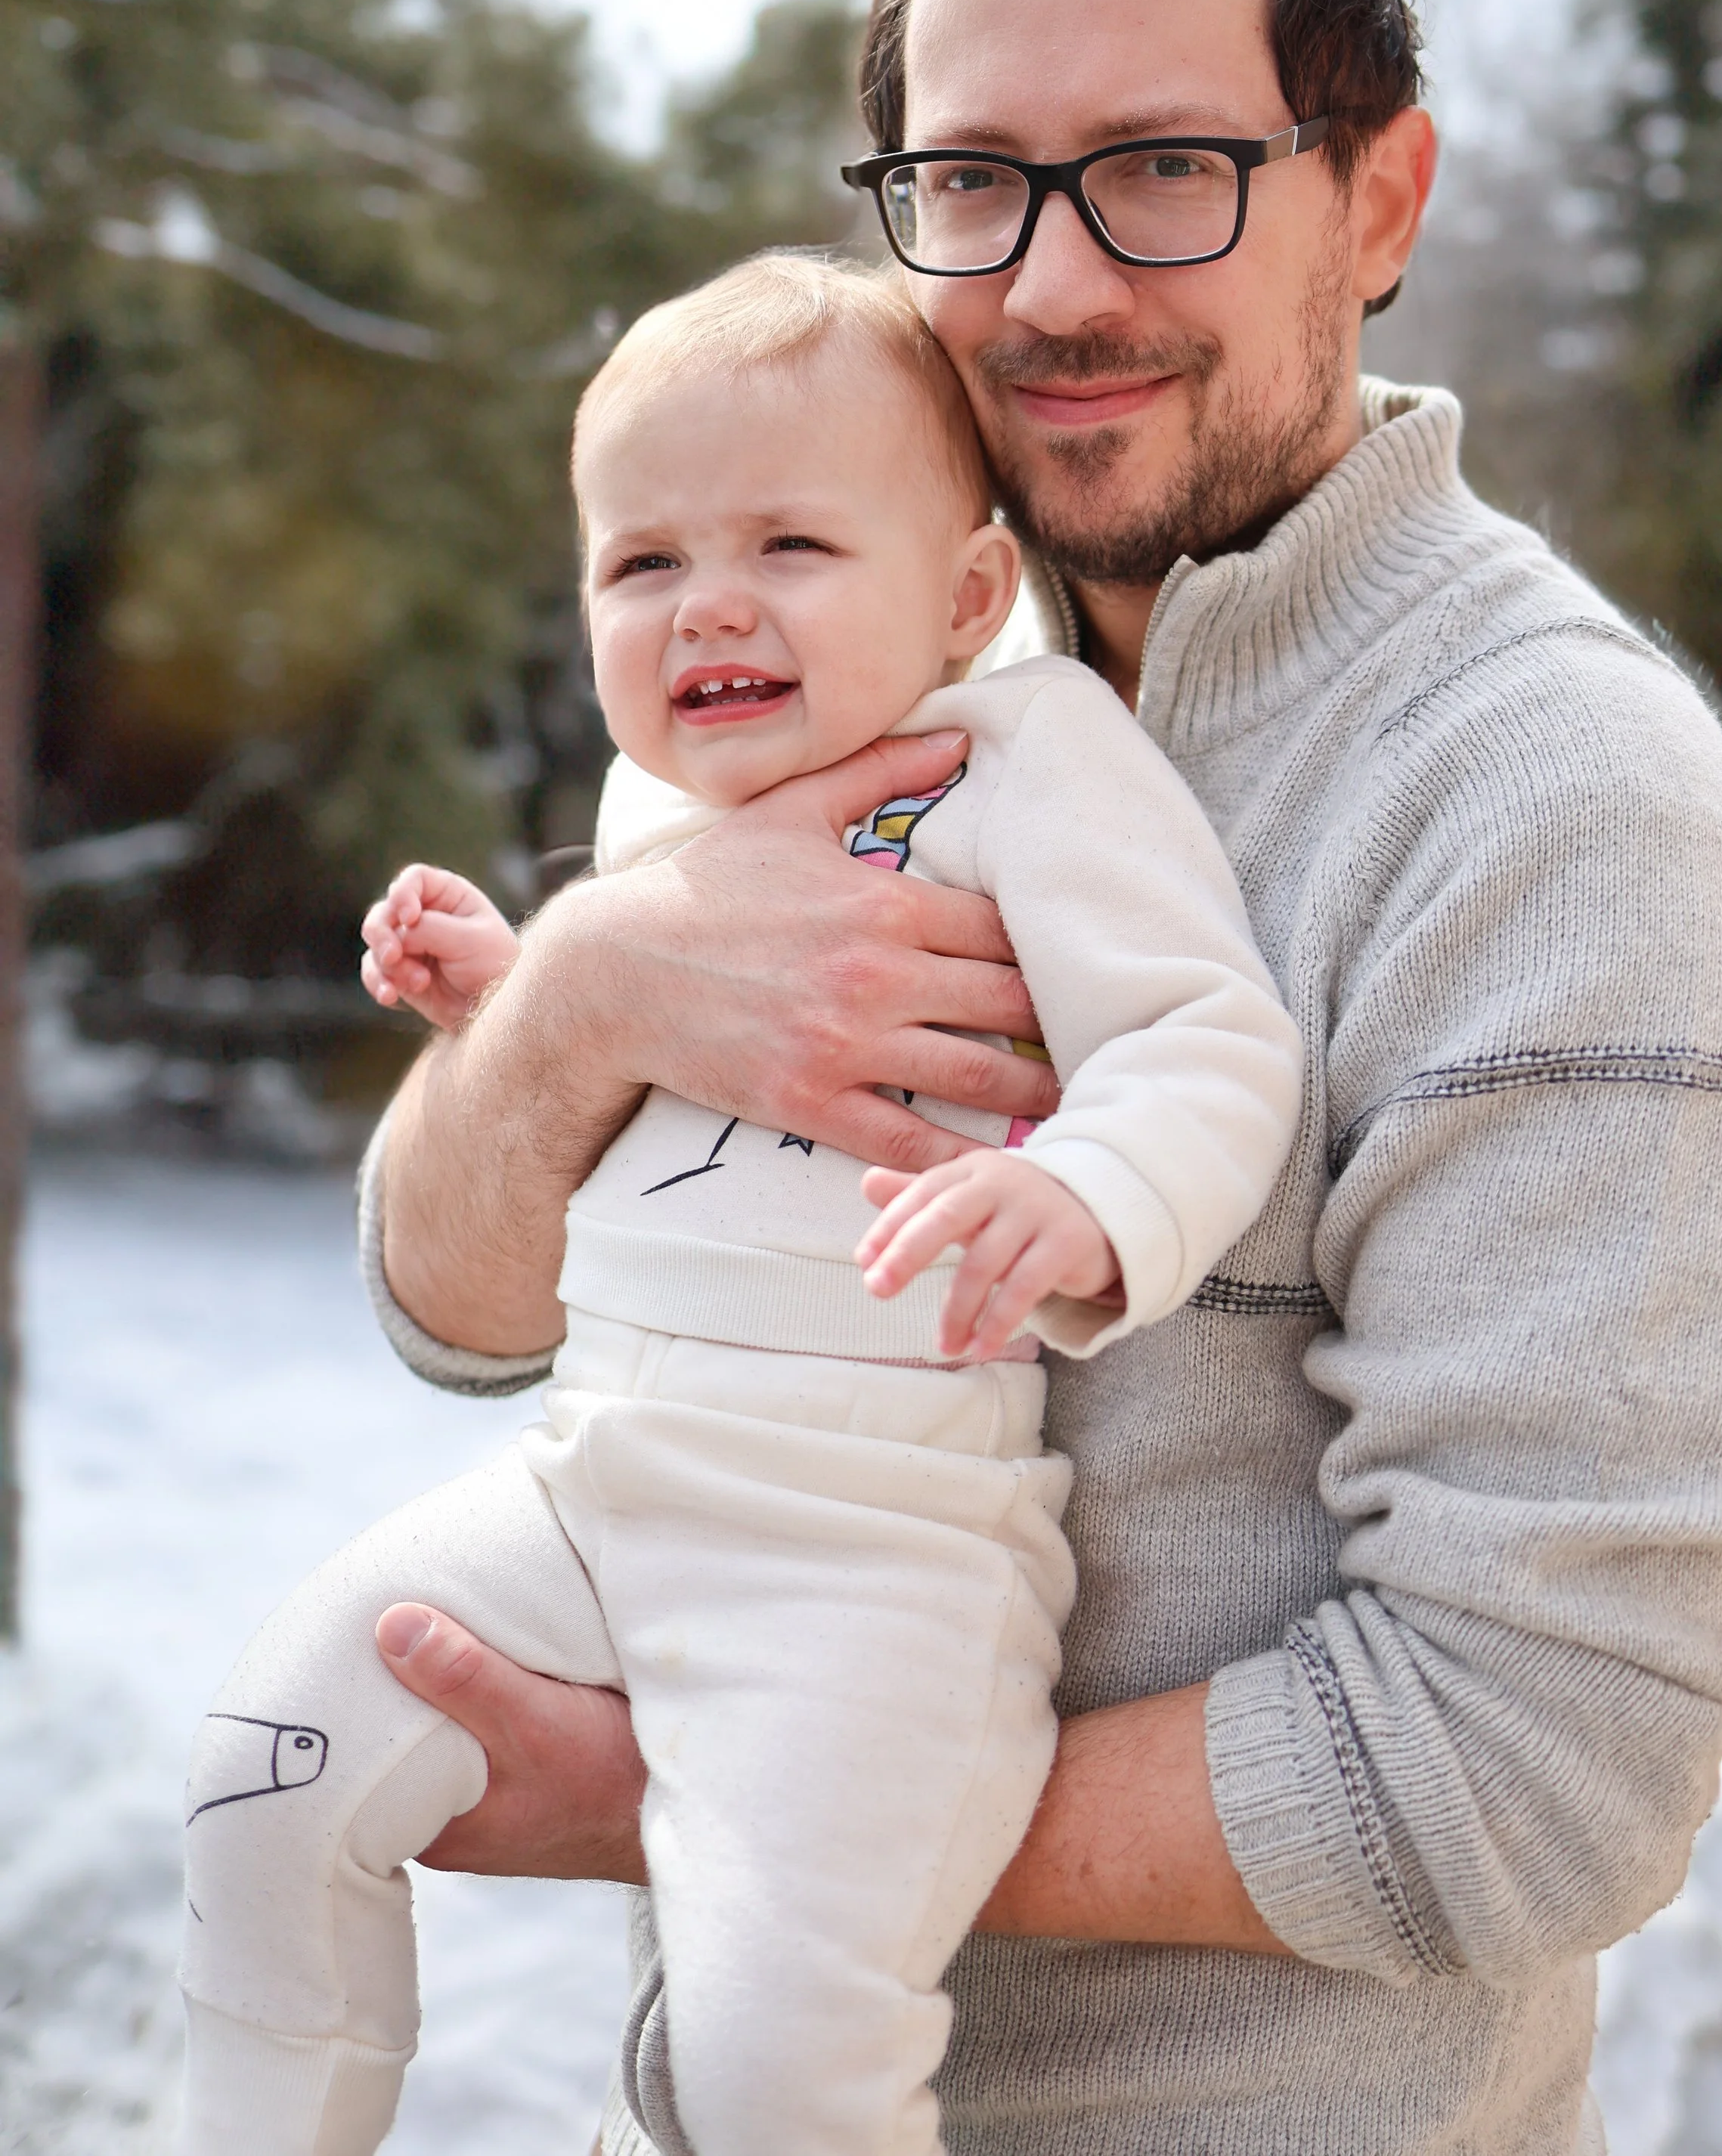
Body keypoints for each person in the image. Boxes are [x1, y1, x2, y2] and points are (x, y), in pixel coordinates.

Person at [358, 0, 1722, 2156]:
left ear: (1379, 199)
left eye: (1162, 167)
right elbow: (457, 1308)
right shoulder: (859, 672)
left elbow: (1540, 1765)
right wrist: (574, 1003)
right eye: (970, 178)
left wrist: (731, 1801)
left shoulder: (1557, 810)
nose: (1050, 284)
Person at [177, 252, 1302, 2156]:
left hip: (870, 1559)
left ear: (964, 592)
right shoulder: (651, 820)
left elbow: (1207, 1038)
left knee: (777, 2068)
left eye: (788, 544)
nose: (708, 603)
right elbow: (647, 1077)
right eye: (641, 564)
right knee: (264, 1770)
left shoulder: (1024, 759)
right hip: (596, 1484)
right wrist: (515, 988)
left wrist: (1095, 1202)